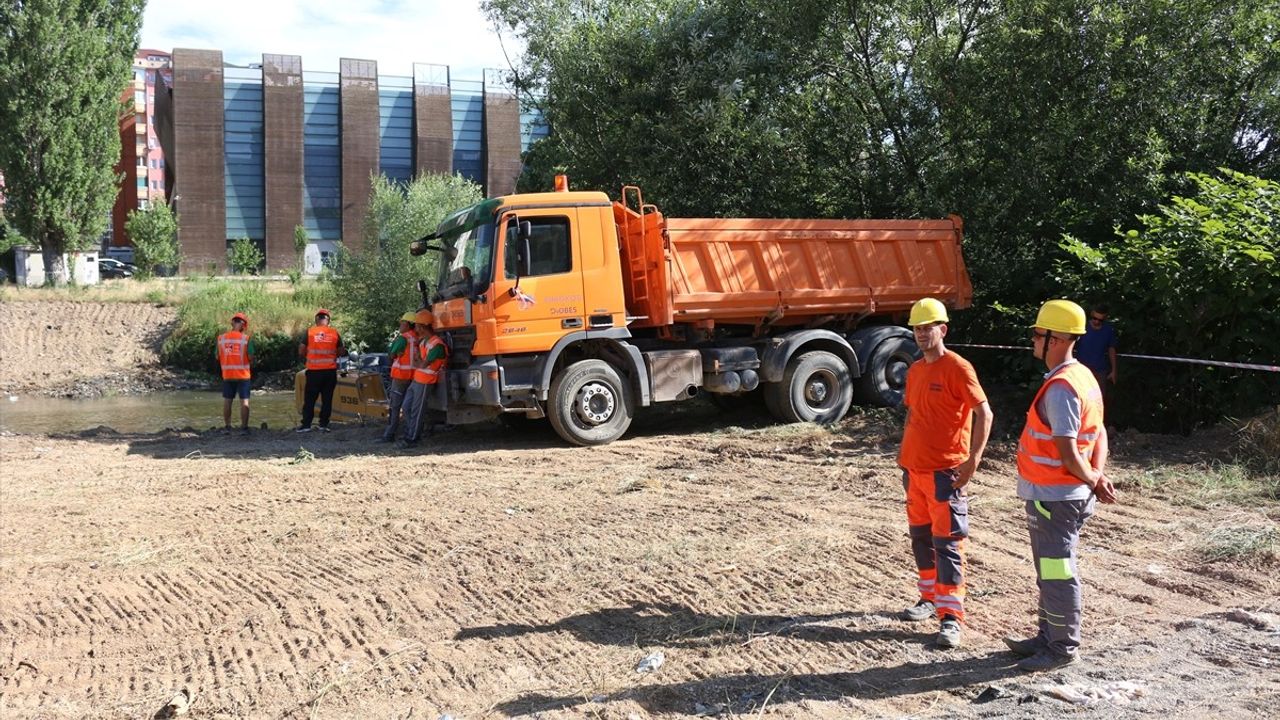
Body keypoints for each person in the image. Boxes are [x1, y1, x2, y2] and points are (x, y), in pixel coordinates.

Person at [1005, 299, 1118, 672]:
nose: (1033, 340)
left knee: (1056, 572)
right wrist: (1096, 475)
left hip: (1054, 498)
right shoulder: (1083, 377)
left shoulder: (1062, 388)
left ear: (1054, 339)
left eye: (1038, 334)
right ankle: (1048, 637)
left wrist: (1093, 477)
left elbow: (1068, 451)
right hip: (1062, 495)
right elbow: (1100, 433)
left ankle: (1061, 648)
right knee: (1050, 571)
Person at [896, 298, 994, 649]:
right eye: (917, 328)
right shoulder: (916, 370)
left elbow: (985, 413)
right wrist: (904, 457)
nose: (922, 334)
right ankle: (928, 597)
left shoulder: (958, 368)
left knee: (948, 543)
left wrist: (973, 460)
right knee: (921, 538)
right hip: (914, 469)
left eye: (928, 328)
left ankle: (951, 616)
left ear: (943, 330)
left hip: (945, 472)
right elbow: (913, 414)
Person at [397, 309, 449, 448]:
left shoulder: (437, 345)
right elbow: (419, 362)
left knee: (417, 410)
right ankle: (411, 433)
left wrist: (419, 361)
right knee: (406, 407)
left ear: (422, 327)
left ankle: (413, 438)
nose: (416, 329)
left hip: (426, 381)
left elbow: (422, 363)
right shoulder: (423, 343)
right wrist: (419, 361)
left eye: (417, 326)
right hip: (417, 380)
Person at [297, 308, 347, 433]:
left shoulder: (310, 332)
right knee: (327, 399)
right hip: (329, 372)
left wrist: (308, 356)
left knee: (310, 399)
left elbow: (301, 350)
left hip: (314, 371)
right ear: (328, 320)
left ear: (316, 320)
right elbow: (341, 351)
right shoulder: (334, 333)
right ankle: (323, 425)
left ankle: (306, 425)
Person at [376, 311, 419, 443]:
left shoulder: (403, 338)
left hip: (400, 377)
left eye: (402, 322)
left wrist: (394, 353)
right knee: (409, 407)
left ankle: (389, 434)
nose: (400, 325)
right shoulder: (418, 338)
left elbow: (391, 355)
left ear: (408, 324)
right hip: (414, 377)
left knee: (395, 407)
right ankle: (410, 432)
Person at [217, 312, 254, 435]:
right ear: (244, 325)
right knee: (244, 401)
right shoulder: (246, 339)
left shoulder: (221, 339)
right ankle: (244, 428)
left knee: (227, 401)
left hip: (227, 375)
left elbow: (217, 356)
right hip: (243, 375)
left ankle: (227, 427)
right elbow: (251, 357)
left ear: (232, 323)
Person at [1075, 303, 1118, 408]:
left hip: (1100, 370)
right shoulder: (1082, 327)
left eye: (1100, 320)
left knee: (1098, 401)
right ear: (1091, 314)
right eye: (1094, 318)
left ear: (1105, 318)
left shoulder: (1108, 330)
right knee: (1080, 398)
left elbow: (1112, 349)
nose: (1097, 322)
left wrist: (1114, 370)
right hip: (1081, 370)